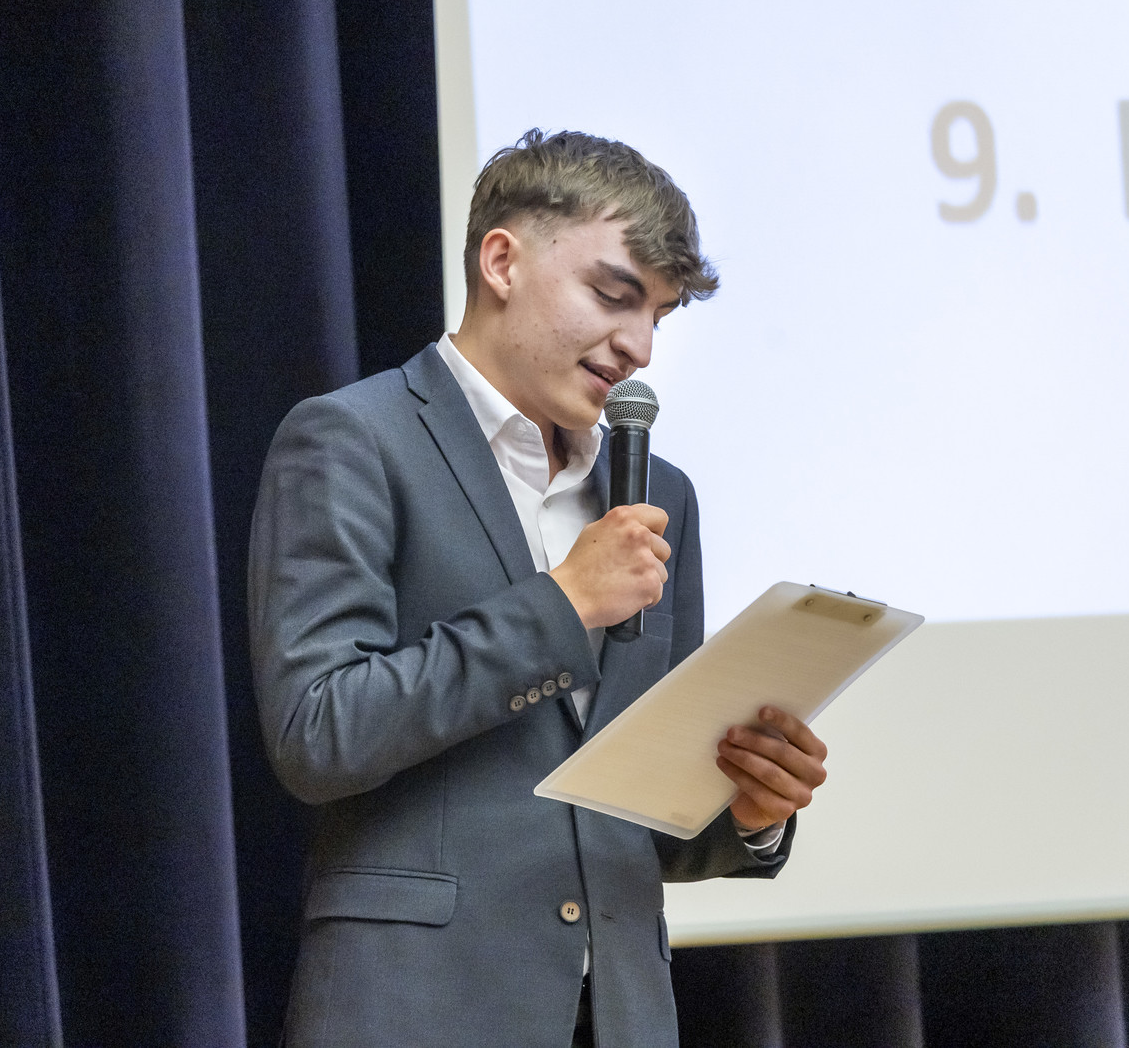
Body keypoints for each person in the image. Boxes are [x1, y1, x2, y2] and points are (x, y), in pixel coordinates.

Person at [248, 129, 829, 1048]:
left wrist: (748, 813)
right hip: (419, 1012)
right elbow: (317, 731)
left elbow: (634, 817)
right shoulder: (352, 441)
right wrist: (563, 605)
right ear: (502, 262)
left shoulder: (659, 492)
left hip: (621, 1016)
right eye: (614, 296)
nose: (639, 346)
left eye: (660, 316)